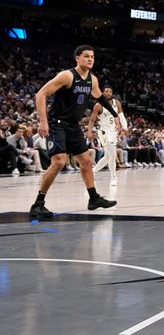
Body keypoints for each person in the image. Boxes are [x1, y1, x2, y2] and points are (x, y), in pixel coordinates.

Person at [29, 45, 119, 218]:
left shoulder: (92, 80)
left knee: (86, 161)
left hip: (73, 125)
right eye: (86, 56)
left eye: (92, 56)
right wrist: (43, 121)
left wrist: (115, 115)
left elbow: (100, 97)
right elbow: (40, 94)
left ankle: (94, 199)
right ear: (77, 58)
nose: (90, 59)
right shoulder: (67, 75)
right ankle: (38, 204)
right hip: (57, 123)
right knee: (59, 162)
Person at [88, 85, 127, 185]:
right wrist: (89, 131)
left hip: (113, 131)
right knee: (113, 155)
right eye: (106, 91)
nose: (108, 93)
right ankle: (113, 178)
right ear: (102, 92)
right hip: (103, 131)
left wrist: (125, 128)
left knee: (107, 157)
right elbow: (92, 120)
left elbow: (121, 116)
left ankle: (92, 172)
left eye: (110, 91)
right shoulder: (98, 105)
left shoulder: (116, 103)